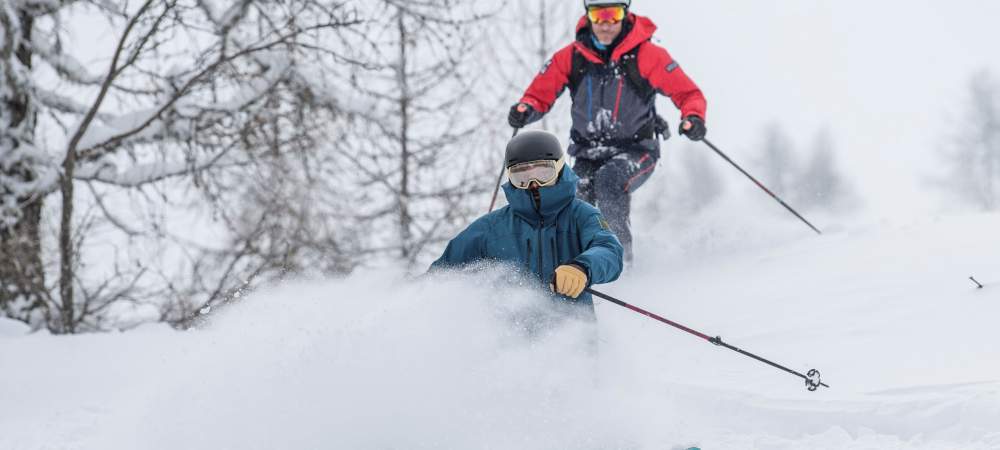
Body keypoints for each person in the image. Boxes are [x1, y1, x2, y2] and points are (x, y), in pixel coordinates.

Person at [508, 0, 708, 262]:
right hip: (588, 152)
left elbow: (687, 92)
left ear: (624, 15)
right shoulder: (572, 56)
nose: (605, 23)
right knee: (572, 191)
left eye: (612, 14)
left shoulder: (646, 54)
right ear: (588, 16)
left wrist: (692, 117)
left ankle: (618, 263)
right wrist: (526, 108)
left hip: (637, 150)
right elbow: (539, 92)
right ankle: (573, 264)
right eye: (597, 14)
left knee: (610, 181)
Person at [431, 131, 623, 320]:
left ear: (559, 168)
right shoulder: (490, 228)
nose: (533, 183)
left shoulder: (581, 215)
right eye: (521, 177)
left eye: (543, 173)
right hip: (508, 345)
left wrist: (581, 268)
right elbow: (441, 274)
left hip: (574, 341)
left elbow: (609, 251)